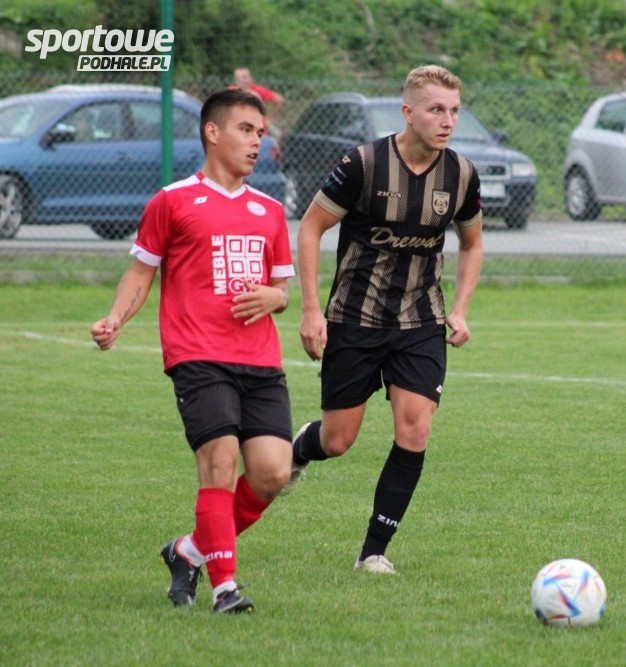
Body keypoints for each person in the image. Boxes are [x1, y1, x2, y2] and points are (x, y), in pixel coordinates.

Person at [90, 88, 295, 612]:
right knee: (220, 460)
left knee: (273, 473)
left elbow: (282, 289)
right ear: (213, 132)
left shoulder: (270, 210)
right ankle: (226, 588)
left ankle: (188, 551)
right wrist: (116, 318)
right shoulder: (173, 201)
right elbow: (141, 272)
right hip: (197, 354)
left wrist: (275, 298)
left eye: (260, 133)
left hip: (260, 359)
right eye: (246, 130)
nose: (257, 142)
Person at [282, 65, 484, 575]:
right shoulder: (363, 164)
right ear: (408, 112)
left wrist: (460, 309)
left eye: (454, 111)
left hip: (420, 319)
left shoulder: (461, 174)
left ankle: (373, 551)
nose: (448, 121)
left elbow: (472, 242)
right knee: (338, 441)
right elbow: (310, 229)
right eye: (436, 110)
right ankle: (302, 447)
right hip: (355, 317)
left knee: (415, 429)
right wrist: (310, 310)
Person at [231, 67, 284, 135]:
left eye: (244, 77)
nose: (242, 80)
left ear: (250, 78)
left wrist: (270, 120)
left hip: (258, 130)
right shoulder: (231, 92)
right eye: (238, 78)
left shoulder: (256, 90)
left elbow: (279, 99)